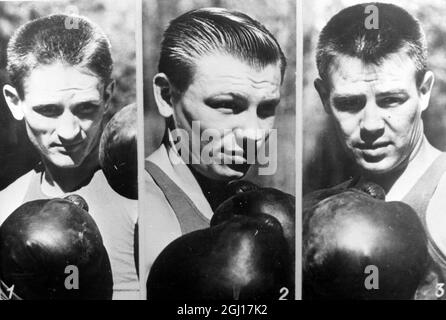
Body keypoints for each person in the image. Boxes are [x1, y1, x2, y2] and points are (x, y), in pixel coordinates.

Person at [141, 7, 287, 293]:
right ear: (166, 96)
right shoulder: (148, 214)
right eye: (227, 105)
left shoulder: (241, 197)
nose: (254, 134)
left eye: (267, 108)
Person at [0, 14, 139, 300]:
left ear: (108, 96)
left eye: (85, 108)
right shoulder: (4, 210)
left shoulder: (148, 197)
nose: (69, 132)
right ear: (15, 102)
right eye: (48, 110)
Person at [314, 2, 446, 298]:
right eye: (349, 103)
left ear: (423, 92)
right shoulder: (324, 208)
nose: (371, 125)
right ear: (324, 97)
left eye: (391, 100)